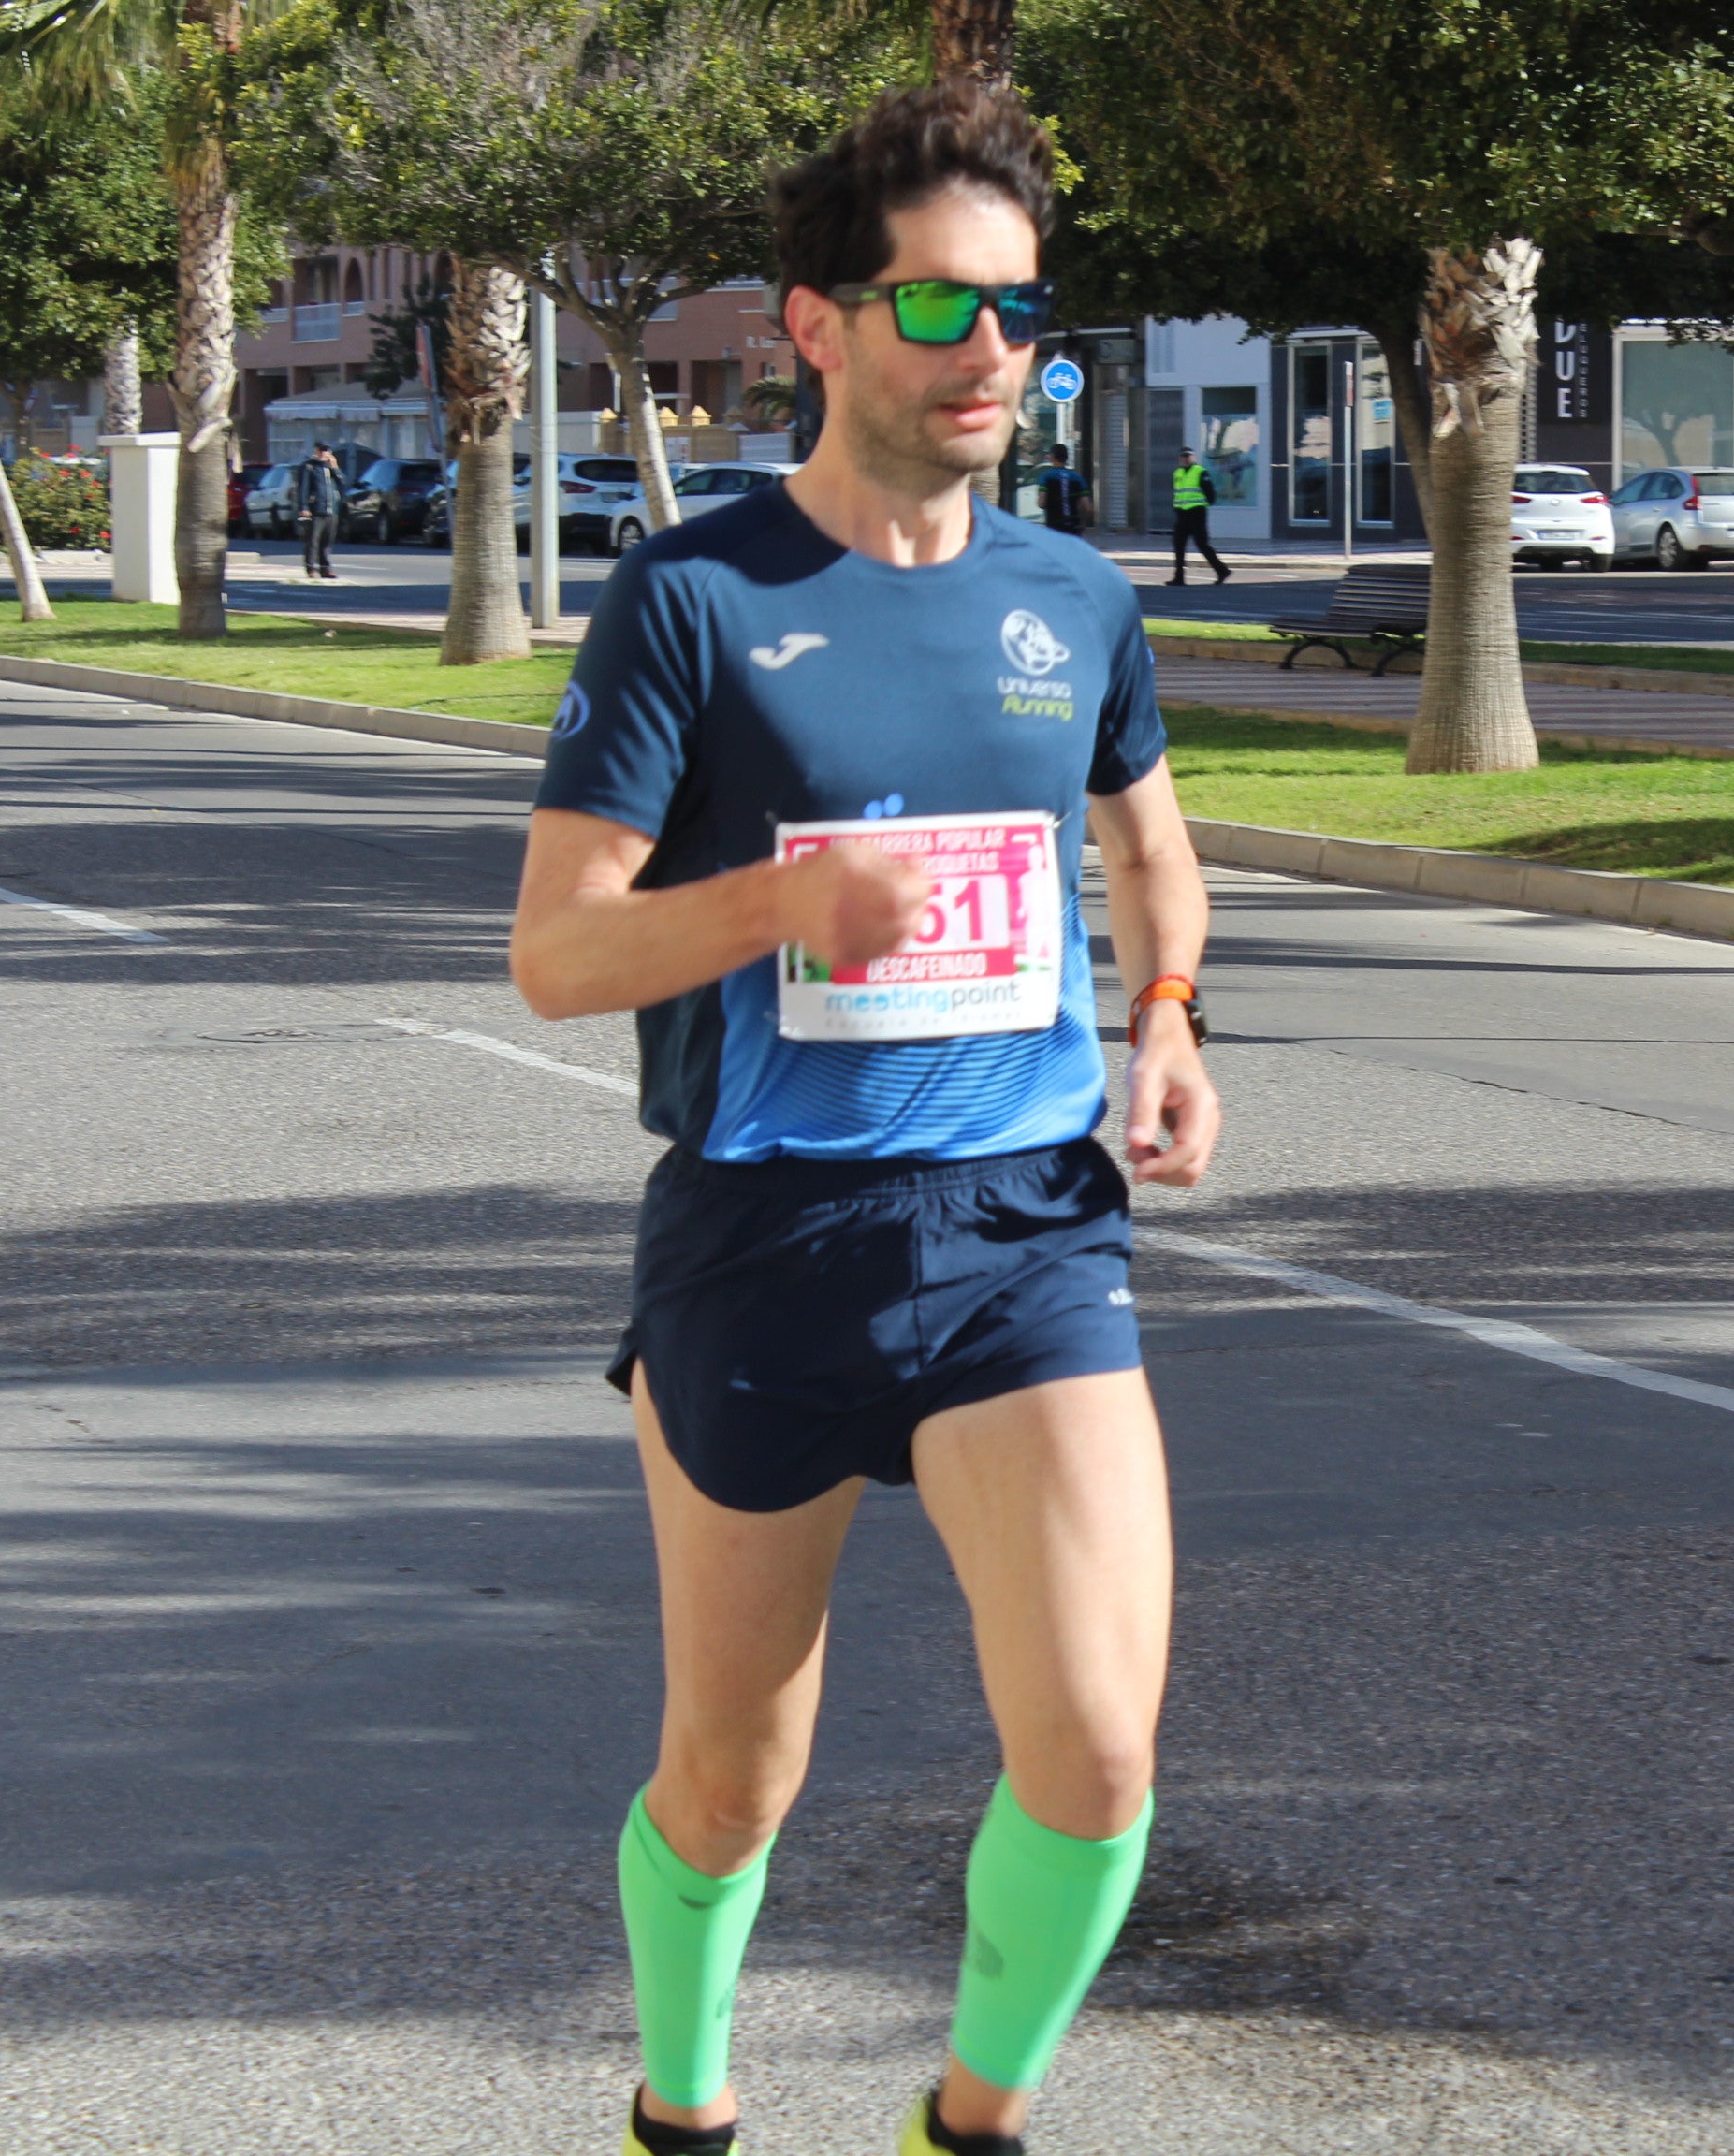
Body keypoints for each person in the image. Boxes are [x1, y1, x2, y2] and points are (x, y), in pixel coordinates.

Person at [508, 79, 1220, 2156]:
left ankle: (968, 2126)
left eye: (1023, 313)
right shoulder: (696, 597)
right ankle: (683, 2107)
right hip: (763, 1236)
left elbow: (1154, 851)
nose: (991, 351)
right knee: (734, 1773)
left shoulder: (1076, 598)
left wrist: (1166, 1014)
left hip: (1021, 1229)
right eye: (940, 312)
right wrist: (777, 905)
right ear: (818, 326)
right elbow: (559, 954)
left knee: (1098, 1753)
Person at [1164, 445, 1226, 586]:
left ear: (1193, 457)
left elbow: (1210, 494)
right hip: (1182, 514)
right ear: (1180, 458)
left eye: (1188, 456)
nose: (1185, 459)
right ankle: (1179, 577)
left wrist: (1203, 506)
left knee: (1202, 545)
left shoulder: (1200, 472)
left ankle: (1222, 570)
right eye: (1183, 456)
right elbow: (1178, 493)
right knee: (1178, 546)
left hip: (1197, 514)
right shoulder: (1177, 473)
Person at [294, 444, 342, 578]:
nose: (323, 453)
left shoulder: (329, 468)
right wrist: (304, 507)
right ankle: (311, 568)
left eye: (326, 451)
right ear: (315, 451)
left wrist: (335, 468)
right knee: (313, 540)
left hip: (331, 509)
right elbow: (303, 489)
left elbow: (342, 483)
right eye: (320, 450)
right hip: (316, 509)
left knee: (327, 541)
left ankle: (326, 568)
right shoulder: (309, 467)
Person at [1033, 442, 1088, 535]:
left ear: (1052, 457)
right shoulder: (1078, 478)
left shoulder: (1046, 477)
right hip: (1074, 526)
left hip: (1054, 525)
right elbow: (1088, 507)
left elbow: (1041, 504)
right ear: (1066, 458)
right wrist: (1082, 524)